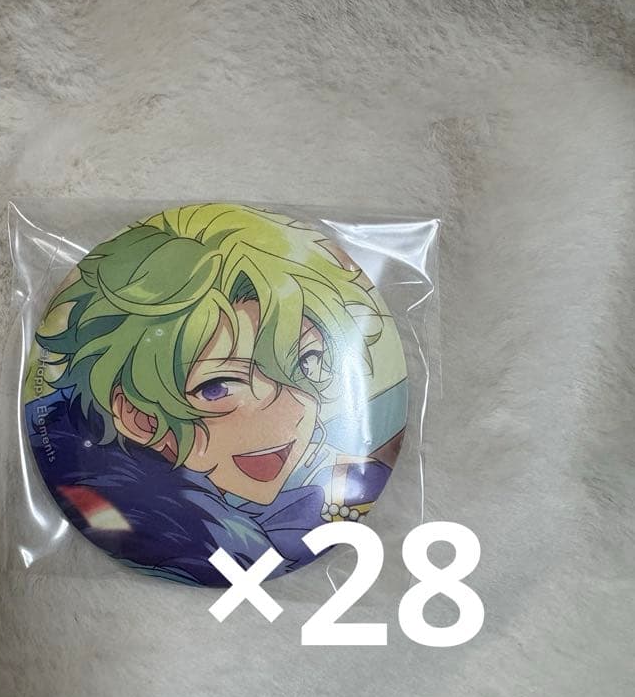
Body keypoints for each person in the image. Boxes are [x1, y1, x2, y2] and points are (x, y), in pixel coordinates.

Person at [25, 203, 406, 585]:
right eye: (218, 387)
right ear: (139, 417)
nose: (290, 413)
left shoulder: (317, 477)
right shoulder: (176, 532)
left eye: (306, 363)